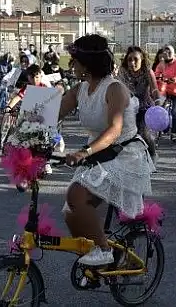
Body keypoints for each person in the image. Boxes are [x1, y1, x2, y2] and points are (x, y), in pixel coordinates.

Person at [58, 34, 154, 266]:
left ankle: (103, 250)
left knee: (76, 196)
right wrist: (24, 127)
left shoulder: (115, 89)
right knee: (71, 212)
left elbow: (114, 129)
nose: (71, 65)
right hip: (100, 153)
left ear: (87, 64)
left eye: (75, 61)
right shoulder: (80, 89)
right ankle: (94, 262)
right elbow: (50, 114)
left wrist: (84, 152)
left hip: (123, 154)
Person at [117, 46, 159, 157]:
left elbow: (154, 89)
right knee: (123, 134)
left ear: (142, 60)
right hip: (128, 107)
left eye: (136, 59)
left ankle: (152, 154)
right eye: (129, 59)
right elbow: (118, 89)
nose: (132, 63)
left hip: (144, 107)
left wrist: (158, 104)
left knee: (143, 132)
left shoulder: (148, 72)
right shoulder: (123, 72)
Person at [154, 45, 176, 141]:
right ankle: (164, 127)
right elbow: (157, 73)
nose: (167, 54)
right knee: (161, 109)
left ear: (173, 53)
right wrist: (157, 77)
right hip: (165, 90)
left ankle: (174, 133)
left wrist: (175, 79)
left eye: (169, 52)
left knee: (174, 111)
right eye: (165, 52)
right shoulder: (162, 64)